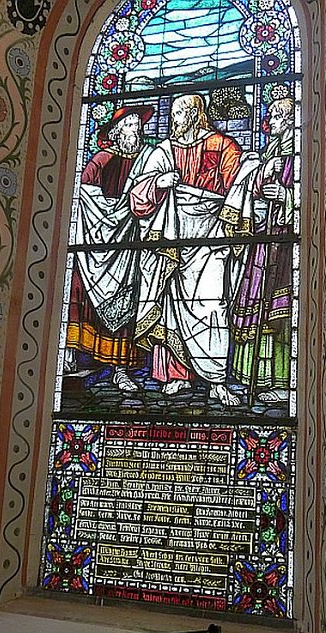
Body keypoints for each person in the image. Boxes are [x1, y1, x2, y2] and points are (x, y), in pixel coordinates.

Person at [129, 94, 259, 406]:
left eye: (180, 113)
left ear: (195, 113)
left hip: (211, 232)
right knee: (170, 303)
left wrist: (252, 170)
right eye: (173, 113)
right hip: (173, 235)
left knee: (213, 305)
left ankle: (215, 379)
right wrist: (160, 182)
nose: (174, 119)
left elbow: (237, 183)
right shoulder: (164, 150)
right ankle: (175, 375)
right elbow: (138, 193)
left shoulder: (222, 145)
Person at [65, 105, 155, 391]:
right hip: (97, 243)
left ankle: (120, 369)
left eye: (138, 126)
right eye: (130, 126)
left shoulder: (146, 160)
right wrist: (118, 212)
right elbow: (84, 198)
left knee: (127, 302)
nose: (137, 131)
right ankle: (71, 358)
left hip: (130, 245)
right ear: (116, 133)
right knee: (80, 296)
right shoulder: (102, 160)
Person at [231, 98, 296, 403]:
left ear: (290, 119)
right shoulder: (271, 152)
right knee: (257, 305)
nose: (271, 123)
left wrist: (285, 195)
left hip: (284, 241)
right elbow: (254, 187)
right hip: (263, 237)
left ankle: (283, 381)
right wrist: (260, 175)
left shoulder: (298, 154)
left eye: (276, 118)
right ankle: (253, 377)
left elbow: (313, 195)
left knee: (279, 311)